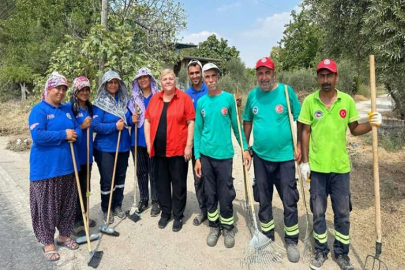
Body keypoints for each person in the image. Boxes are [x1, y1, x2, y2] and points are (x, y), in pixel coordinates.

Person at [298, 59, 382, 270]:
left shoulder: (346, 101)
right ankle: (320, 251)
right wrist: (305, 162)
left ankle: (342, 254)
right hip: (317, 168)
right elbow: (305, 131)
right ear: (317, 78)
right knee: (318, 212)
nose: (325, 80)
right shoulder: (310, 101)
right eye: (322, 76)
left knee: (342, 214)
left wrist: (371, 124)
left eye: (329, 76)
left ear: (336, 77)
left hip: (340, 169)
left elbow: (354, 129)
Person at [242, 57, 302, 262]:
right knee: (263, 197)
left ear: (274, 74)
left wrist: (300, 146)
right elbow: (247, 122)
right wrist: (245, 148)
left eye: (267, 73)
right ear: (257, 75)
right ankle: (267, 234)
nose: (264, 77)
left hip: (285, 157)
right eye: (260, 73)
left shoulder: (286, 92)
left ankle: (292, 239)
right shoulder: (252, 96)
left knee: (289, 199)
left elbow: (299, 119)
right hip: (260, 156)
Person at [194, 63, 251, 248]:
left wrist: (244, 148)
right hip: (206, 156)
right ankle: (214, 226)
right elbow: (198, 131)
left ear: (218, 77)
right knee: (210, 193)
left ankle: (227, 227)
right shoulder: (201, 102)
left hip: (224, 156)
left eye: (213, 76)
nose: (210, 80)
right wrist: (197, 157)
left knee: (225, 192)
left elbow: (236, 126)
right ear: (204, 79)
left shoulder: (228, 99)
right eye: (207, 77)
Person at [29, 72, 81, 261]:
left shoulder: (67, 109)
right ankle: (48, 242)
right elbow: (38, 137)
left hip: (67, 166)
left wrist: (75, 133)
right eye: (57, 88)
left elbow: (74, 129)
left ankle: (64, 235)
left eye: (64, 89)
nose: (60, 92)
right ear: (48, 89)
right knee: (47, 208)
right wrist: (63, 135)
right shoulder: (39, 110)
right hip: (45, 169)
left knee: (67, 205)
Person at [144, 69, 195, 232]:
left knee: (178, 183)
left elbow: (190, 122)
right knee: (161, 184)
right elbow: (147, 121)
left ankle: (178, 215)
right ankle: (165, 213)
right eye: (164, 79)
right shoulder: (155, 99)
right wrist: (148, 143)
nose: (168, 81)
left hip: (178, 150)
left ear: (175, 80)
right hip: (158, 151)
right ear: (161, 82)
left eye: (170, 78)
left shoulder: (184, 98)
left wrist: (189, 145)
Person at [93, 70, 131, 223]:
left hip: (123, 146)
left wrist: (132, 118)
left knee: (120, 178)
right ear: (105, 84)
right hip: (105, 148)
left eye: (116, 82)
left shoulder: (124, 101)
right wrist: (114, 126)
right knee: (108, 180)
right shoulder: (99, 104)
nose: (113, 85)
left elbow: (128, 118)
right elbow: (95, 126)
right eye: (110, 82)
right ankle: (106, 208)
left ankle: (117, 205)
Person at [128, 67, 160, 217]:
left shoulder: (158, 96)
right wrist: (131, 119)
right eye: (140, 78)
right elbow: (127, 118)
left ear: (150, 79)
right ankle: (144, 199)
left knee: (154, 171)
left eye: (145, 77)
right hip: (136, 141)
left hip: (153, 140)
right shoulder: (133, 99)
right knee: (141, 171)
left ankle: (156, 200)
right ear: (137, 81)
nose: (143, 80)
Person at [67, 76, 97, 236]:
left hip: (87, 156)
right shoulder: (70, 108)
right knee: (75, 189)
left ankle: (84, 216)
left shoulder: (90, 108)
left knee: (86, 188)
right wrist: (81, 126)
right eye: (82, 89)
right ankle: (75, 221)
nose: (85, 92)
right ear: (75, 91)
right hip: (75, 156)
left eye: (87, 89)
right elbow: (68, 129)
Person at [184, 59, 209, 226]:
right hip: (196, 143)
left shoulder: (210, 89)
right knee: (198, 177)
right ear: (188, 75)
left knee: (213, 179)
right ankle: (203, 210)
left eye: (197, 72)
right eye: (192, 73)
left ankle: (216, 209)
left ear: (201, 73)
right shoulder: (186, 95)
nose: (195, 76)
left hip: (212, 142)